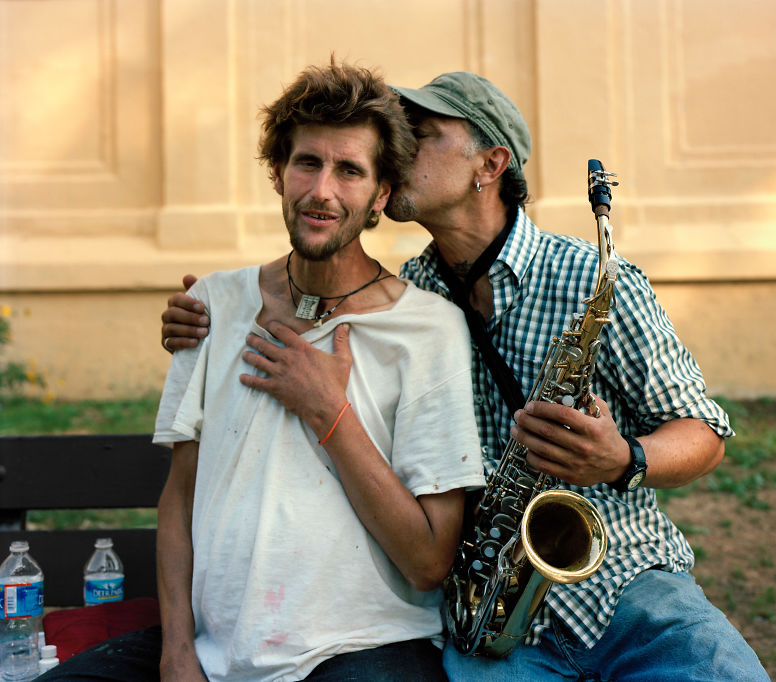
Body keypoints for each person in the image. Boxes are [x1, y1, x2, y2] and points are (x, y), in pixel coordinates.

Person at [161, 72, 770, 680]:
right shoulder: (408, 294)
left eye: (421, 134)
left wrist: (622, 458)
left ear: (490, 164)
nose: (398, 149)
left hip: (625, 585)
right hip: (492, 618)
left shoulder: (595, 280)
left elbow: (704, 432)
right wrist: (208, 314)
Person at [41, 62, 486, 682]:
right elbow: (180, 497)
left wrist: (329, 414)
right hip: (211, 649)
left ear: (381, 194)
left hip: (364, 650)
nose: (321, 191)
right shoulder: (212, 306)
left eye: (350, 170)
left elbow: (429, 561)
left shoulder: (427, 328)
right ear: (278, 172)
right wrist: (177, 653)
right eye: (307, 163)